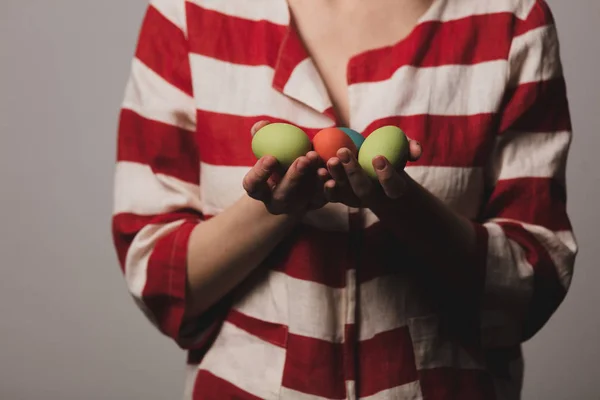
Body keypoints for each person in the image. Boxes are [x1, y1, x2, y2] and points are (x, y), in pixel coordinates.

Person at [111, 0, 577, 398]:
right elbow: (157, 276)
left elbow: (532, 286)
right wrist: (276, 208)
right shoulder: (190, 14)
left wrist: (401, 205)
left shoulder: (511, 19)